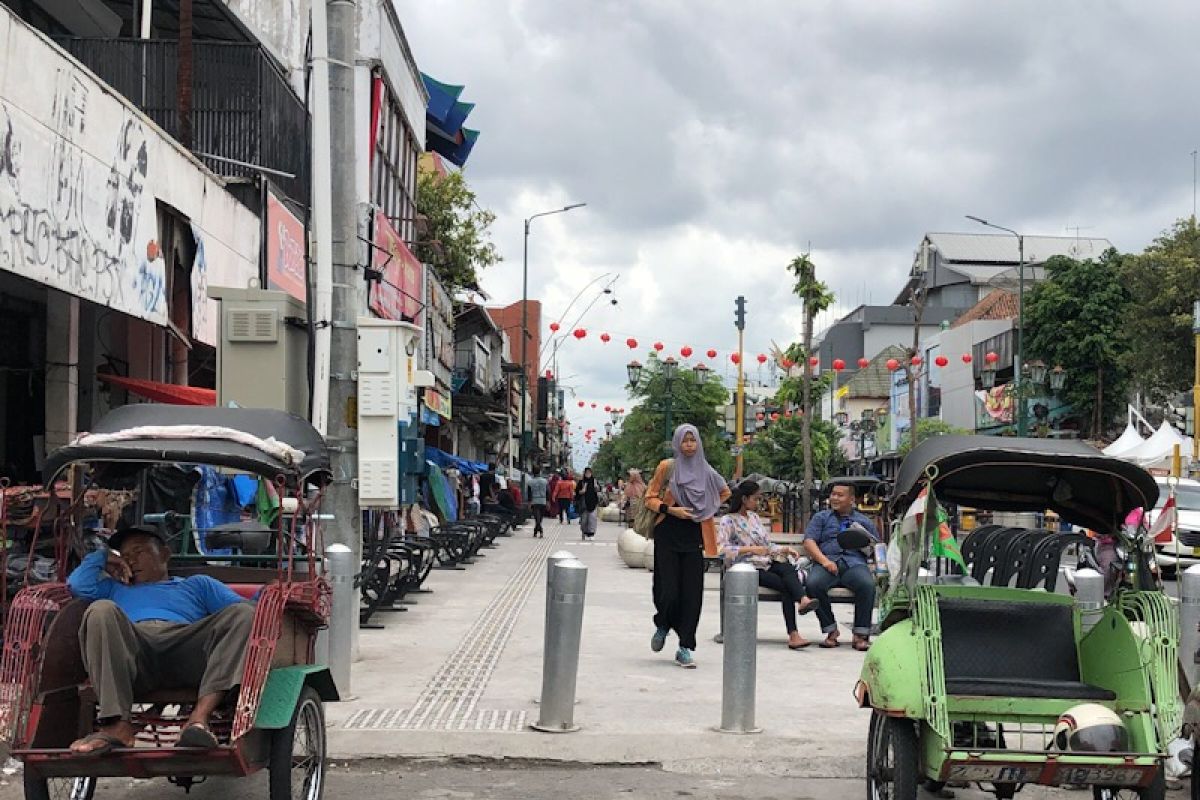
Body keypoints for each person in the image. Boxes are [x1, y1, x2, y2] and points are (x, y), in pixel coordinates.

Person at [65, 524, 255, 755]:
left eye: (139, 552)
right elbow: (77, 584)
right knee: (100, 610)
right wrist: (104, 556)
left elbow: (246, 609)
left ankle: (198, 720)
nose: (132, 561)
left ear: (164, 554)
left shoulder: (196, 584)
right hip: (135, 652)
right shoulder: (112, 589)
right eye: (125, 556)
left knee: (243, 615)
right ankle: (116, 726)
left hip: (186, 647)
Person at [644, 424, 731, 668]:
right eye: (685, 440)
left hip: (695, 537)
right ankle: (663, 623)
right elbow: (649, 497)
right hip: (668, 532)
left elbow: (724, 492)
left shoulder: (707, 471)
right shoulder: (667, 468)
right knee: (668, 590)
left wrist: (705, 507)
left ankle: (685, 647)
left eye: (693, 440)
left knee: (692, 595)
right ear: (677, 443)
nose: (689, 445)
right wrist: (671, 509)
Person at [718, 480, 815, 649]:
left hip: (767, 561)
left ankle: (803, 600)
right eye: (755, 499)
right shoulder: (728, 520)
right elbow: (721, 549)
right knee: (786, 586)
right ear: (744, 499)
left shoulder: (754, 518)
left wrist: (785, 549)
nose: (758, 502)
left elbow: (767, 545)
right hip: (747, 567)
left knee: (786, 567)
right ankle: (794, 633)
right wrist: (750, 549)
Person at [804, 481, 879, 651]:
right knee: (813, 584)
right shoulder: (821, 517)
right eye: (833, 494)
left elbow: (876, 547)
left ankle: (860, 634)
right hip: (827, 562)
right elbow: (809, 542)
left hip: (854, 563)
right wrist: (824, 561)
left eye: (840, 495)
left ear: (851, 499)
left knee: (867, 585)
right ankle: (831, 630)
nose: (834, 498)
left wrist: (869, 547)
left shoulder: (864, 521)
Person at [575, 468, 600, 541]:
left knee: (592, 519)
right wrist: (582, 491)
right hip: (584, 504)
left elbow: (598, 490)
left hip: (593, 503)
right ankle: (584, 532)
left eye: (589, 472)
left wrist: (596, 487)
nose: (588, 474)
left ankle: (591, 533)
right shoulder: (581, 482)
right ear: (584, 473)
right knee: (584, 520)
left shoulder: (594, 481)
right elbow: (577, 492)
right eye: (586, 473)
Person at [527, 468, 550, 538]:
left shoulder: (530, 482)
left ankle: (536, 531)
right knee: (540, 518)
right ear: (540, 472)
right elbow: (548, 492)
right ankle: (539, 531)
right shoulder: (545, 481)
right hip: (543, 501)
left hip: (534, 501)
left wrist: (529, 503)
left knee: (537, 518)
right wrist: (548, 502)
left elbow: (529, 494)